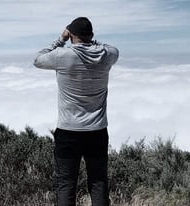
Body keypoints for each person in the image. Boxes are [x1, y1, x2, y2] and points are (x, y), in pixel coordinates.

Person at [33, 17, 119, 206]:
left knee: (66, 184)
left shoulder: (62, 56)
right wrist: (91, 41)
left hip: (68, 131)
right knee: (98, 182)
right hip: (97, 131)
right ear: (91, 36)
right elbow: (114, 49)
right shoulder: (106, 55)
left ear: (71, 35)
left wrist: (61, 38)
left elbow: (38, 59)